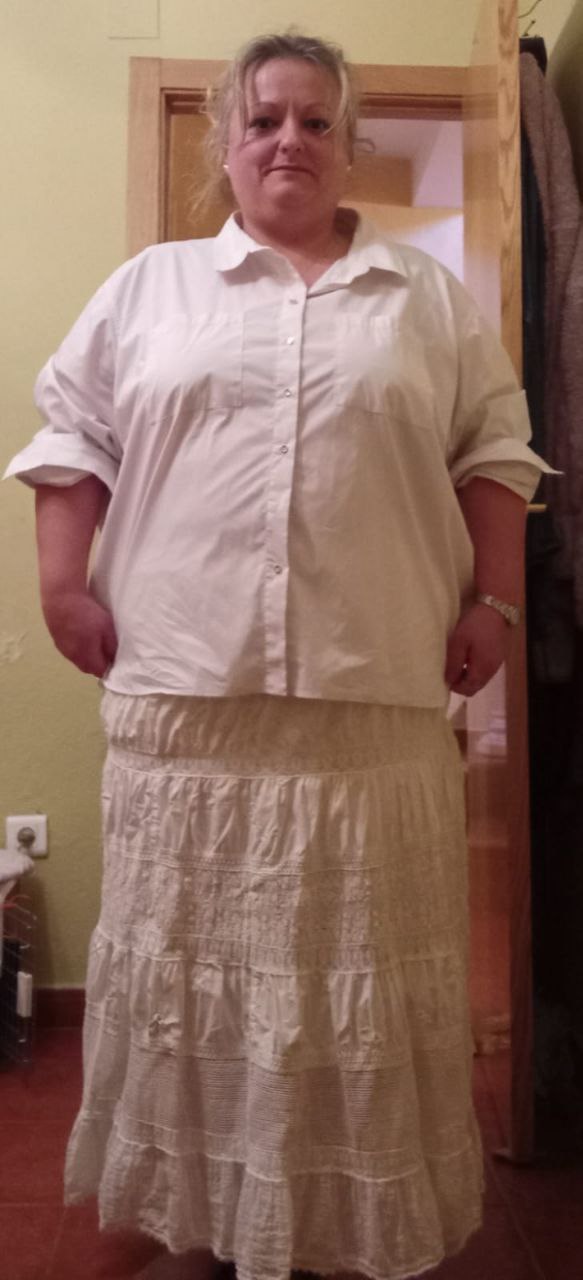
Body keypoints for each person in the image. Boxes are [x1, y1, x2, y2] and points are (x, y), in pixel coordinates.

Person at [6, 31, 550, 1280]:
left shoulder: (425, 301)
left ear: (349, 143)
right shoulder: (149, 289)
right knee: (196, 981)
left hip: (370, 702)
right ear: (227, 144)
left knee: (342, 979)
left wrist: (497, 601)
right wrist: (60, 583)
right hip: (188, 698)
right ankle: (205, 1226)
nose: (288, 141)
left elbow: (495, 451)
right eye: (262, 121)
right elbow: (70, 439)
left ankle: (337, 1229)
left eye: (314, 121)